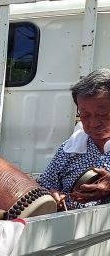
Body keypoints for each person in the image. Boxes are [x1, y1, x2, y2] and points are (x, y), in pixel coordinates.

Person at [39, 68, 110, 210]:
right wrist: (50, 195)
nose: (93, 123)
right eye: (85, 115)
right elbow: (44, 184)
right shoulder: (70, 148)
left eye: (103, 114)